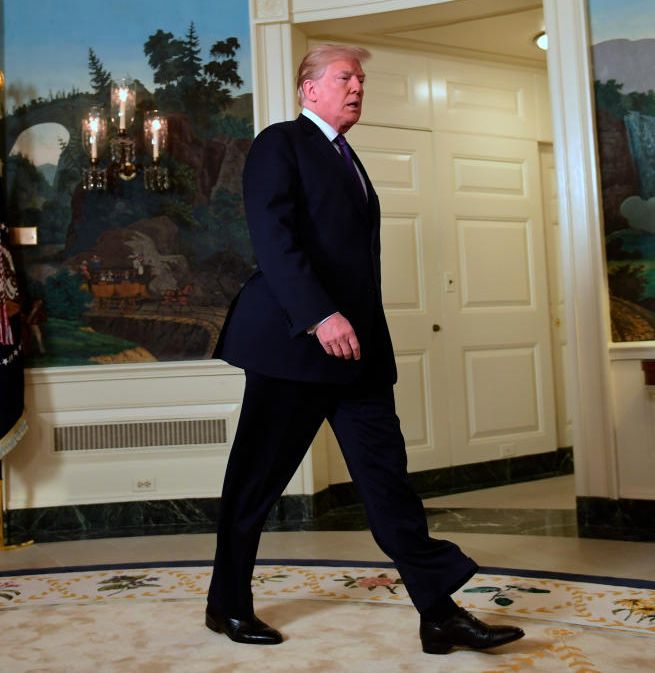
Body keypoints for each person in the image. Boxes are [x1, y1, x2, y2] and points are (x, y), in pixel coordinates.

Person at [205, 45, 525, 654]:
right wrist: (319, 315)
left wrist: (355, 330)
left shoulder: (347, 157)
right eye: (344, 77)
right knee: (254, 484)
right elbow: (274, 240)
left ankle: (439, 614)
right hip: (292, 345)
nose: (356, 87)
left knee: (388, 484)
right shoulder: (281, 143)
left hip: (357, 355)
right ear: (309, 90)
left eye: (361, 79)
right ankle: (226, 605)